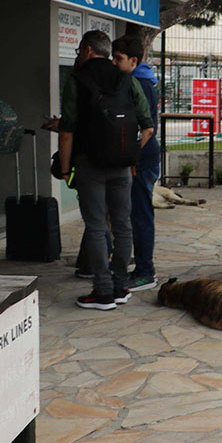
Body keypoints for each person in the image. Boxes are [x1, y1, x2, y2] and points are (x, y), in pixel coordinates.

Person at [58, 31, 155, 310]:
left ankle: (102, 292)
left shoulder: (77, 81)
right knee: (123, 225)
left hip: (89, 165)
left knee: (97, 225)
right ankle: (120, 285)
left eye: (79, 50)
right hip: (123, 166)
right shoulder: (127, 79)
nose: (78, 55)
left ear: (88, 50)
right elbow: (147, 126)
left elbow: (67, 132)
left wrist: (66, 170)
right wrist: (131, 156)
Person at [112, 34, 160, 292]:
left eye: (118, 59)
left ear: (133, 60)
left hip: (141, 157)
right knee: (132, 214)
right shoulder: (138, 80)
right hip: (138, 156)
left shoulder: (139, 84)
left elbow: (145, 129)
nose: (114, 63)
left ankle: (145, 270)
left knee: (140, 215)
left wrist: (131, 158)